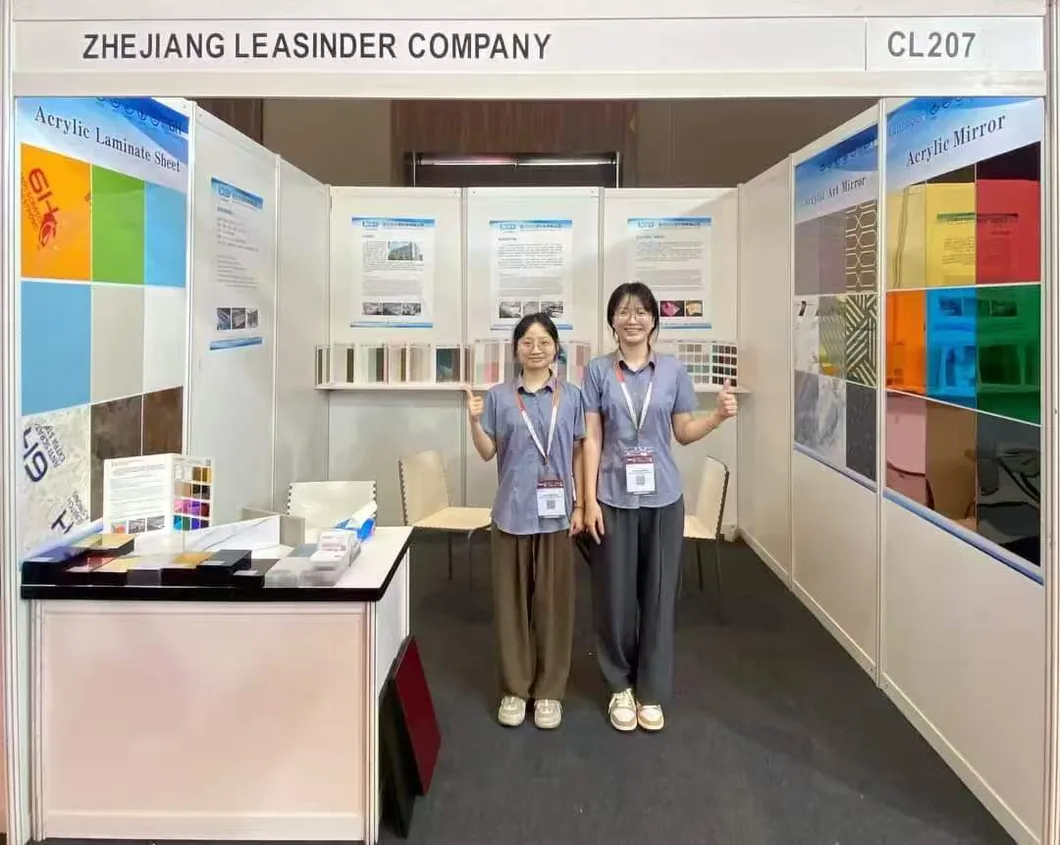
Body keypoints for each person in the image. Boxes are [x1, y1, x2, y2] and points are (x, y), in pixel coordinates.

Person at [582, 282, 737, 733]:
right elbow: (591, 438)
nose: (632, 319)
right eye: (623, 311)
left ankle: (650, 688)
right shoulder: (597, 372)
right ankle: (619, 685)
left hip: (664, 498)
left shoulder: (672, 371)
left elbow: (683, 432)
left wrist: (717, 416)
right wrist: (587, 499)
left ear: (654, 320)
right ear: (612, 321)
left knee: (658, 594)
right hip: (612, 497)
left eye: (641, 311)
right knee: (613, 596)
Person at [465, 312, 586, 730]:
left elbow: (578, 452)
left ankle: (549, 691)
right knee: (512, 606)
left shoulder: (571, 397)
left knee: (554, 607)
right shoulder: (499, 397)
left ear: (556, 348)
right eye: (527, 342)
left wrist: (579, 505)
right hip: (512, 514)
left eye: (544, 342)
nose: (536, 349)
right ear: (516, 350)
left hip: (556, 517)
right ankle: (515, 689)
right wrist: (473, 422)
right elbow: (487, 452)